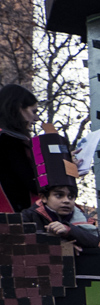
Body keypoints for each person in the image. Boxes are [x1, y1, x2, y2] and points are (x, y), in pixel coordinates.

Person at [22, 124, 100, 251]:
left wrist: (69, 230)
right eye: (59, 195)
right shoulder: (28, 217)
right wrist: (60, 246)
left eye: (71, 196)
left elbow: (97, 242)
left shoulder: (84, 218)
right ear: (44, 197)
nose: (66, 200)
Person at [0, 84, 39, 212]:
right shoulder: (10, 141)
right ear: (19, 107)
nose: (36, 118)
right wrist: (66, 168)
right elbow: (34, 183)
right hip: (14, 216)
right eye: (33, 111)